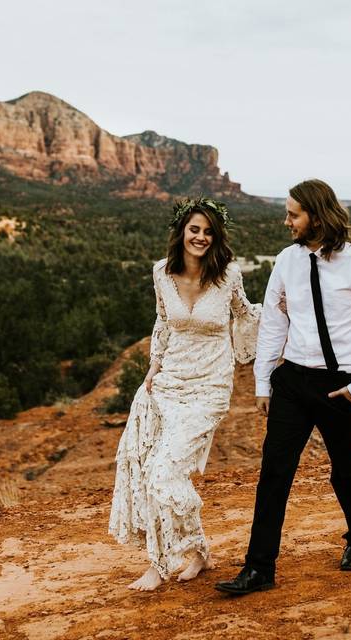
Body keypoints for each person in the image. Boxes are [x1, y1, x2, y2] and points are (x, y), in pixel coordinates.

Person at [215, 179, 351, 595]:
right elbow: (274, 324)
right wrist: (264, 382)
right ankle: (259, 567)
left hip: (340, 385)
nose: (286, 222)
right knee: (274, 472)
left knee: (345, 468)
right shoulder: (287, 260)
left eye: (293, 214)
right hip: (293, 380)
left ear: (316, 216)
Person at [109, 197, 261, 591]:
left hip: (209, 387)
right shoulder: (162, 272)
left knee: (165, 471)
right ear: (182, 232)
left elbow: (245, 315)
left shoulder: (228, 275)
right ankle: (197, 552)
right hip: (168, 383)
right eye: (195, 229)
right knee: (151, 470)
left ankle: (159, 566)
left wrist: (280, 319)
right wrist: (152, 367)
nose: (201, 237)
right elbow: (163, 321)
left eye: (209, 232)